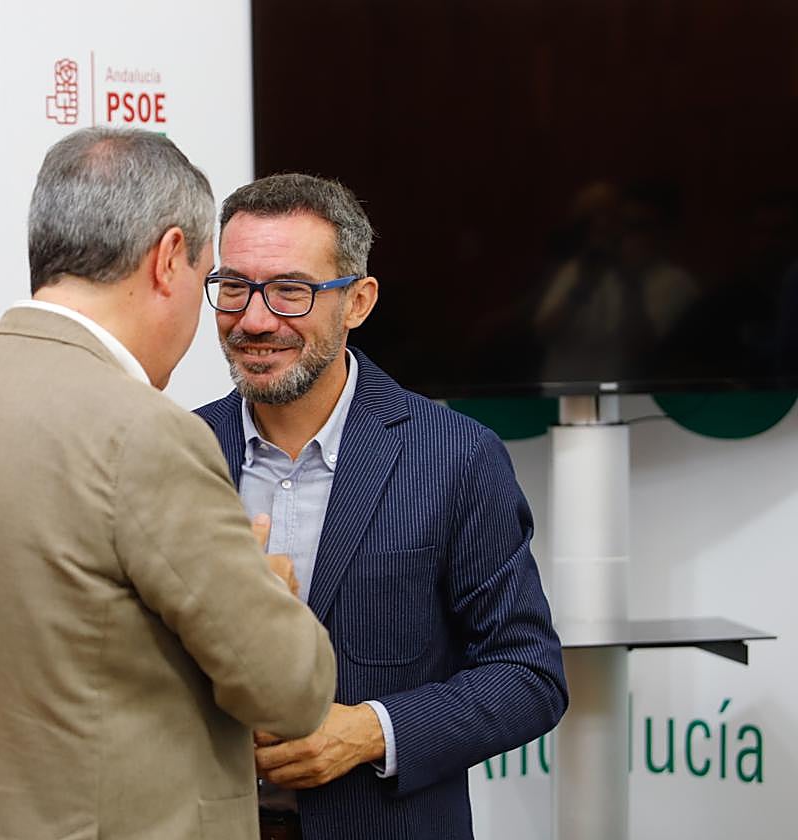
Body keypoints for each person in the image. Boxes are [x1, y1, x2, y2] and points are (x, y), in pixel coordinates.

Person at [0, 130, 336, 840]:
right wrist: (261, 589)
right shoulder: (147, 433)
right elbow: (292, 692)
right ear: (169, 258)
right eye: (215, 277)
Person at [195, 173, 568, 840]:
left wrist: (371, 732)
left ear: (358, 301)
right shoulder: (176, 451)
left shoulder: (455, 457)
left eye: (290, 291)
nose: (254, 319)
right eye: (233, 287)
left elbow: (528, 675)